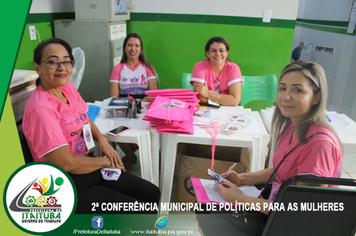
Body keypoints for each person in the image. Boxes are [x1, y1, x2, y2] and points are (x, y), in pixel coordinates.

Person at [196, 60, 342, 235]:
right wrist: (241, 179)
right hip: (277, 209)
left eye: (297, 90)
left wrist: (241, 198)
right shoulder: (292, 126)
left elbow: (302, 209)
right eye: (282, 88)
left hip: (295, 225)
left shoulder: (320, 144)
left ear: (316, 97)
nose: (286, 97)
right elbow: (280, 172)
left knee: (214, 218)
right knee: (206, 208)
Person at [23, 38, 160, 214]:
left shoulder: (67, 88)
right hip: (66, 182)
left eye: (66, 61)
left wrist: (102, 139)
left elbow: (84, 117)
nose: (62, 67)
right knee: (141, 210)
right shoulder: (41, 109)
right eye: (53, 62)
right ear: (37, 68)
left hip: (88, 165)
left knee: (152, 193)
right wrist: (106, 162)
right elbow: (67, 164)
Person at [109, 33, 158, 171]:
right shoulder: (118, 69)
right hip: (124, 104)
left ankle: (130, 157)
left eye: (137, 45)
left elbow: (153, 93)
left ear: (141, 49)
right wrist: (129, 107)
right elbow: (113, 95)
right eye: (130, 45)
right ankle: (131, 157)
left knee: (144, 131)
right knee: (116, 132)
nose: (133, 48)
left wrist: (137, 105)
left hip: (144, 104)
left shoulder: (148, 67)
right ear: (125, 48)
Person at [191, 36, 243, 106]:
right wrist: (226, 100)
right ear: (207, 53)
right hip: (206, 109)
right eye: (213, 51)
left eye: (221, 50)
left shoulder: (233, 68)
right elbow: (200, 99)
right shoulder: (199, 67)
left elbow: (235, 101)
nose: (218, 54)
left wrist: (207, 94)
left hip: (229, 111)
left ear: (227, 53)